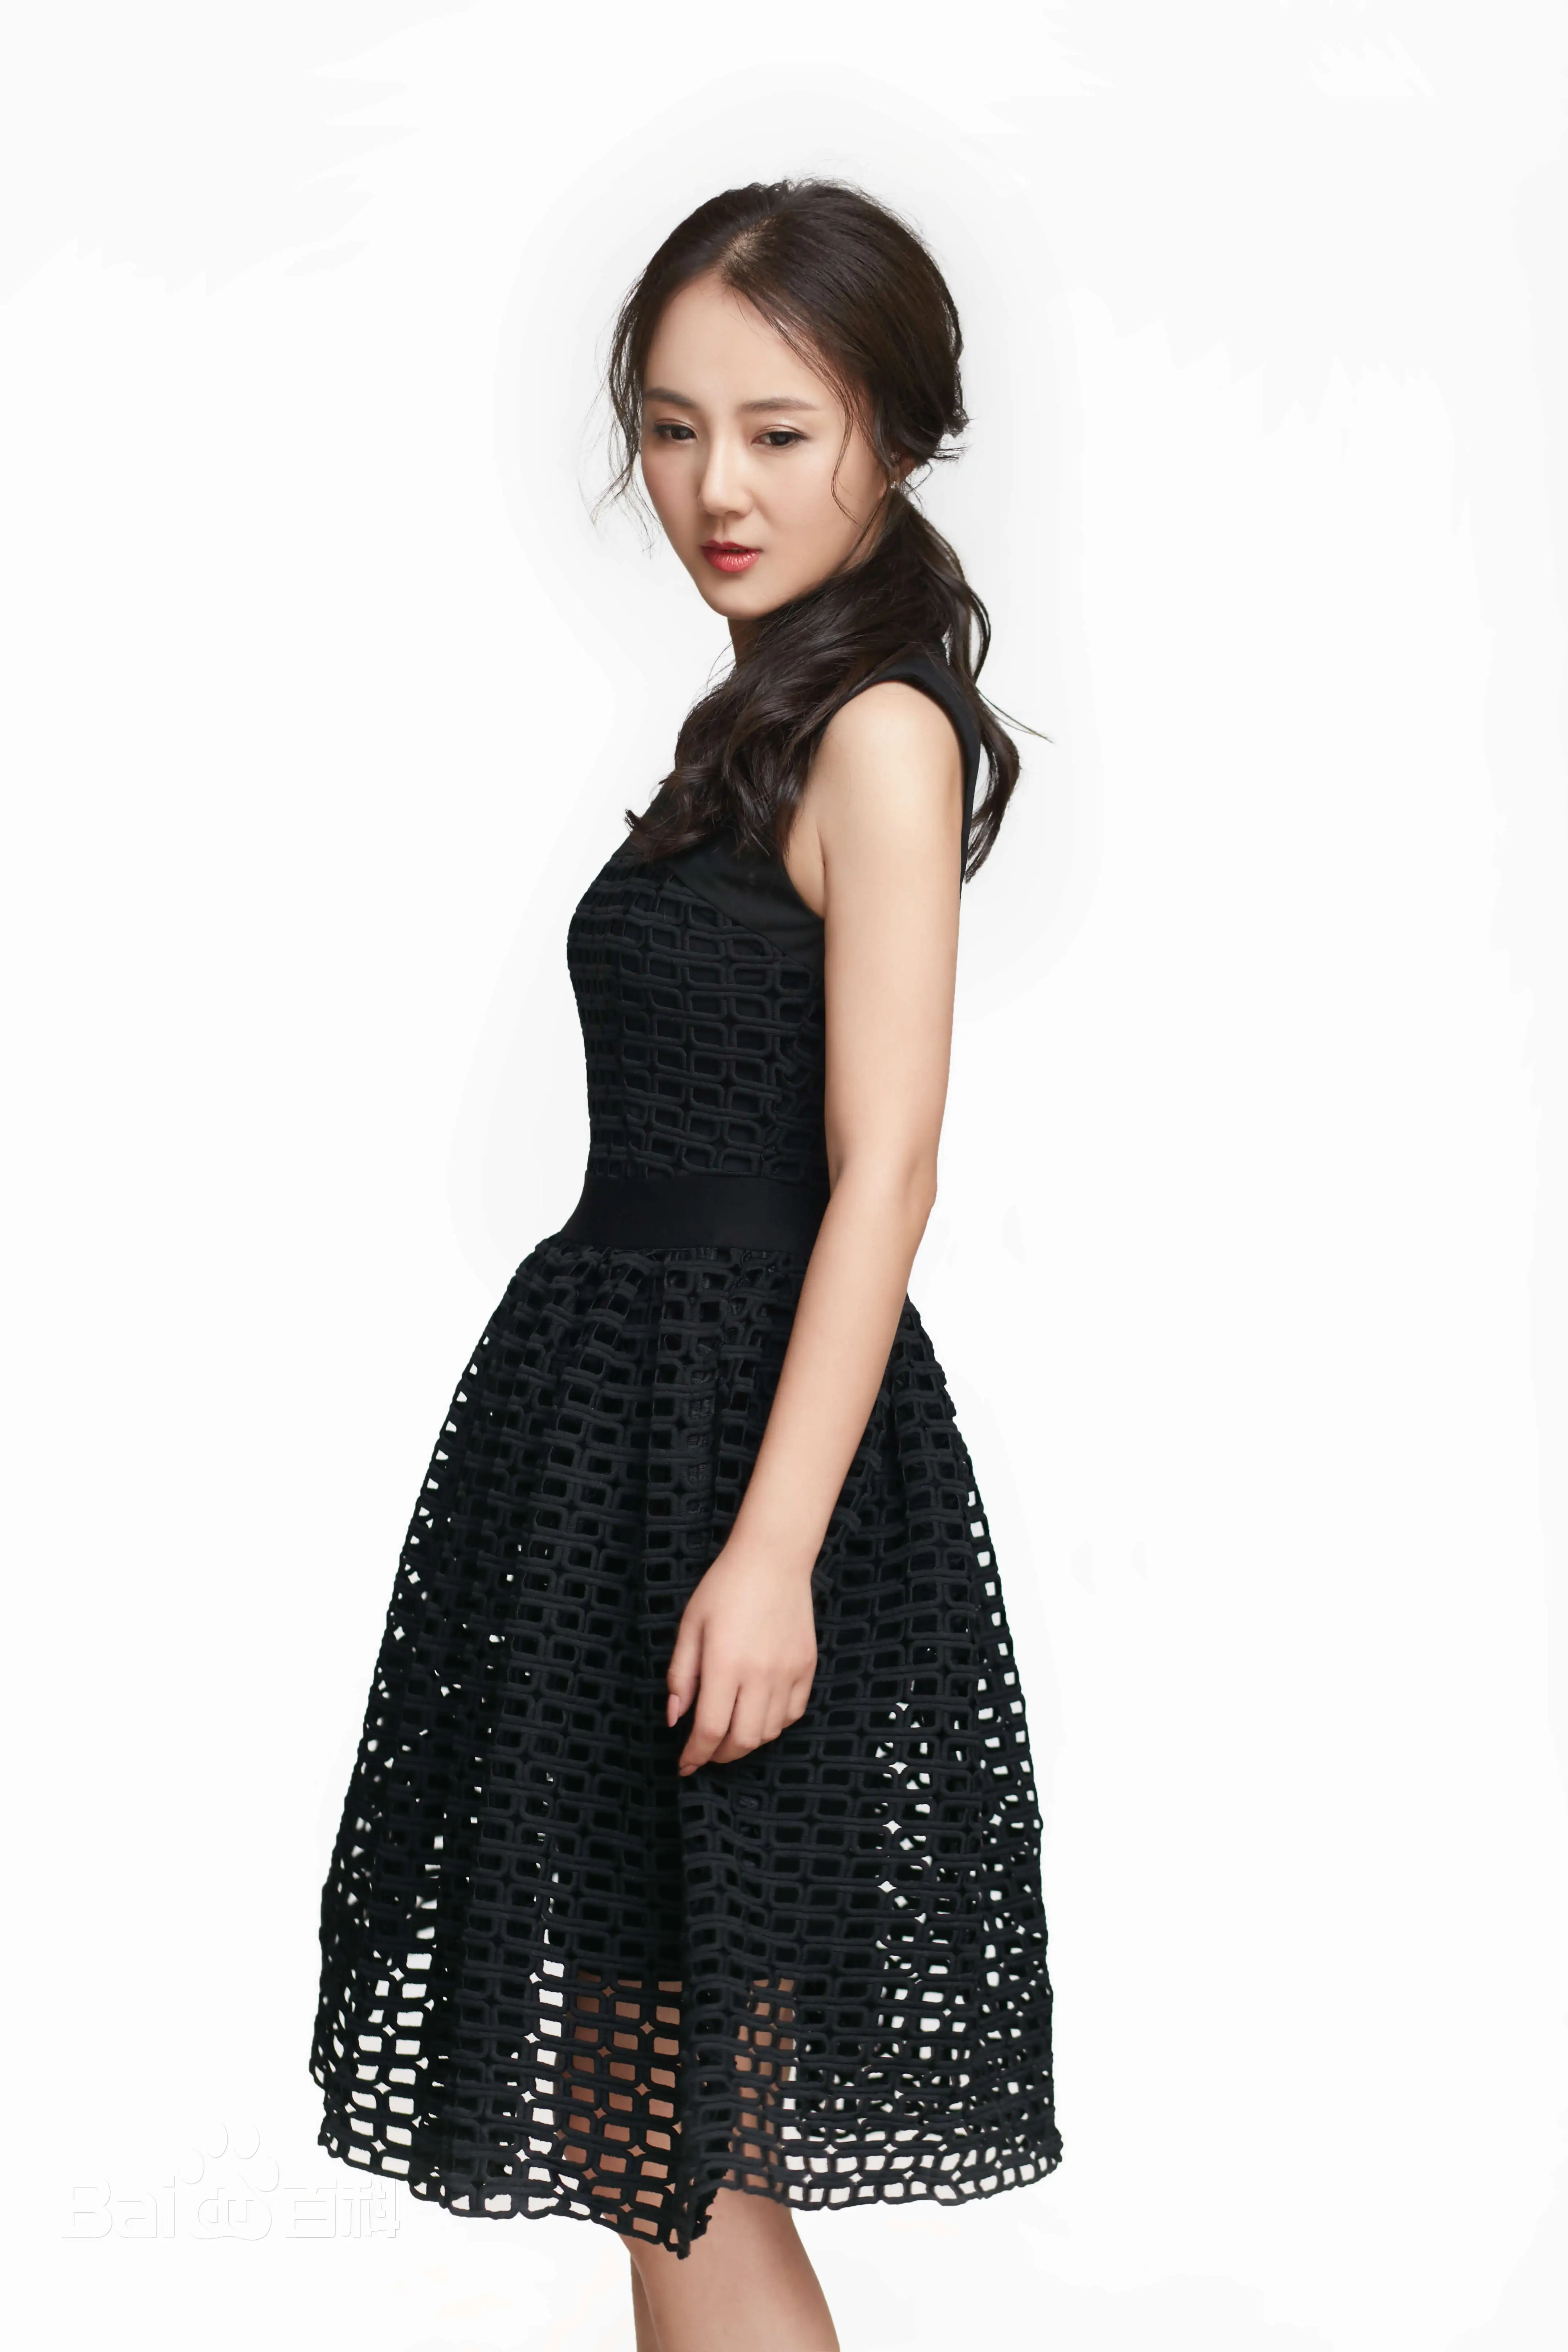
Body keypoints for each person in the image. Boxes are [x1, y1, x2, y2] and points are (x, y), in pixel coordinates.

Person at [311, 177, 1062, 2352]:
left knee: (671, 2134)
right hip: (625, 1451)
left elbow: (887, 1170)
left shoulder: (882, 731)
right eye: (669, 428)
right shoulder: (761, 721)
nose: (714, 487)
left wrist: (772, 1554)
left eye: (780, 431)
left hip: (738, 1463)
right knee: (638, 2114)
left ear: (894, 436)